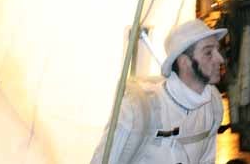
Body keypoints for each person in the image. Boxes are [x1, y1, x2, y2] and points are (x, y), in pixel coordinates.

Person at [91, 19, 226, 164]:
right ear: (184, 62)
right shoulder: (138, 110)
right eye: (208, 53)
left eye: (217, 50)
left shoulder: (213, 105)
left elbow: (207, 160)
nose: (220, 59)